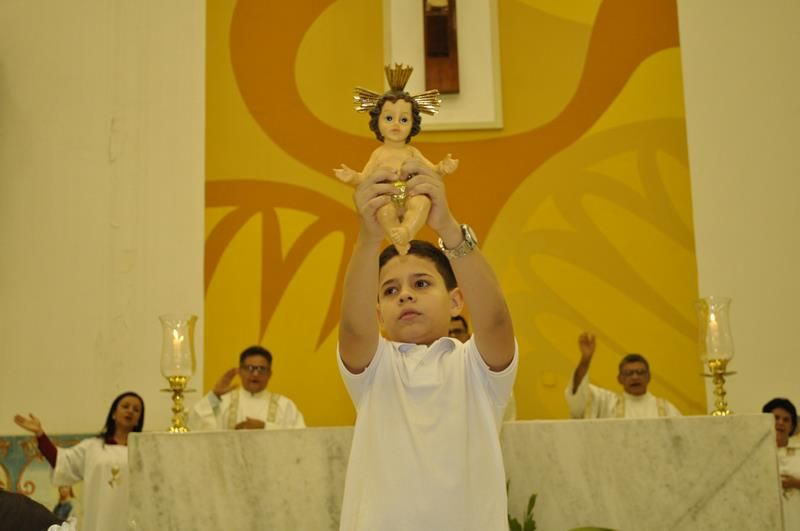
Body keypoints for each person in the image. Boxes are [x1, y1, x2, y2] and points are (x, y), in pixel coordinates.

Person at [337, 158, 517, 530]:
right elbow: (354, 331)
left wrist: (448, 227)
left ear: (455, 301)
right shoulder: (376, 368)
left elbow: (497, 319)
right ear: (379, 313)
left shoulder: (476, 368)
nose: (405, 296)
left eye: (421, 284)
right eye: (390, 290)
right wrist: (369, 237)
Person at [334, 64, 457, 255]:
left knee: (422, 203)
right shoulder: (378, 154)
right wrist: (351, 177)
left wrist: (443, 167)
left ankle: (407, 230)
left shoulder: (412, 152)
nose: (397, 125)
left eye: (404, 119)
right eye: (389, 118)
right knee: (384, 212)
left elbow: (431, 171)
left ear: (413, 124)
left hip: (410, 193)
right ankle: (399, 242)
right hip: (388, 196)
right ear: (378, 121)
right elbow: (365, 178)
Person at [13, 391, 145, 531]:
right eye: (125, 406)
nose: (130, 411)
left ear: (138, 420)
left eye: (136, 409)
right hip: (97, 521)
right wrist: (40, 434)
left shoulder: (143, 452)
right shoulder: (92, 447)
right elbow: (61, 461)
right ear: (113, 413)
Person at [565, 332, 680, 419]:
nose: (635, 377)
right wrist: (585, 360)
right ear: (619, 379)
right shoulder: (608, 403)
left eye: (640, 372)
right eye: (628, 373)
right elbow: (579, 394)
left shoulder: (666, 409)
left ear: (649, 377)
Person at [189, 345, 305, 431]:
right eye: (250, 368)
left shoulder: (285, 406)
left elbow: (300, 439)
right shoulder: (223, 402)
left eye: (261, 369)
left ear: (270, 373)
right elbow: (195, 425)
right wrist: (214, 396)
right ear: (240, 371)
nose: (255, 374)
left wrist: (264, 427)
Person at [449, 314, 517, 422]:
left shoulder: (486, 366)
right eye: (449, 333)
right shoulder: (435, 371)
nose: (453, 336)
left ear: (467, 335)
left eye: (457, 332)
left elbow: (506, 413)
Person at [763, 397, 800, 528]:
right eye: (776, 418)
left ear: (792, 425)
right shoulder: (755, 455)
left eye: (786, 420)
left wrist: (796, 483)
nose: (780, 423)